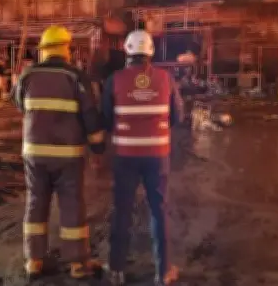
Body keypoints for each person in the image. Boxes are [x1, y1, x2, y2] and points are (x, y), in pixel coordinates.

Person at [13, 25, 106, 280]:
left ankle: (34, 260)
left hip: (34, 154)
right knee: (72, 205)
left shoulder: (27, 75)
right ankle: (77, 264)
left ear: (43, 51)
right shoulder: (76, 76)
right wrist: (97, 145)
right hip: (68, 155)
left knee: (35, 203)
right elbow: (89, 114)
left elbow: (19, 103)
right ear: (66, 49)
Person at [101, 30, 183, 286]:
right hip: (157, 156)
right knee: (159, 210)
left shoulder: (114, 80)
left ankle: (116, 270)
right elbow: (178, 117)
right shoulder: (165, 78)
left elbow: (106, 119)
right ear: (151, 52)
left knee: (122, 210)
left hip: (126, 155)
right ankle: (163, 272)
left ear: (127, 50)